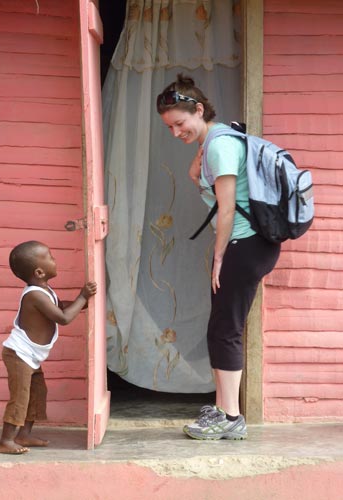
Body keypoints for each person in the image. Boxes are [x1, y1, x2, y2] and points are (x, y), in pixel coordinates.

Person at [157, 74, 280, 440]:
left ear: (198, 110)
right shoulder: (219, 137)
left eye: (180, 123)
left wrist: (219, 257)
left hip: (245, 245)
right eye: (170, 127)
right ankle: (224, 409)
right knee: (222, 328)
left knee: (226, 330)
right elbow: (215, 189)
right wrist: (194, 173)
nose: (176, 133)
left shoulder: (219, 145)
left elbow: (226, 210)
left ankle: (230, 417)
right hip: (248, 244)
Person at [0, 241, 97, 454]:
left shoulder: (45, 290)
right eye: (50, 257)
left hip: (31, 356)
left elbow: (60, 306)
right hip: (19, 355)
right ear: (40, 271)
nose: (55, 259)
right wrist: (83, 297)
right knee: (20, 397)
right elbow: (63, 318)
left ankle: (24, 435)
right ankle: (5, 441)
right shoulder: (35, 295)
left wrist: (85, 303)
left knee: (37, 393)